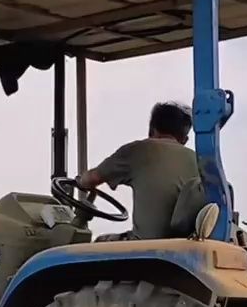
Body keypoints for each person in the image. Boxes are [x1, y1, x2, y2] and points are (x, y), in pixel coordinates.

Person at [74, 101, 209, 241]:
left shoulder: (137, 151)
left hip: (144, 246)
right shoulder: (199, 161)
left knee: (98, 243)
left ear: (152, 130)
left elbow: (91, 178)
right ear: (184, 139)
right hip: (184, 245)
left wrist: (80, 182)